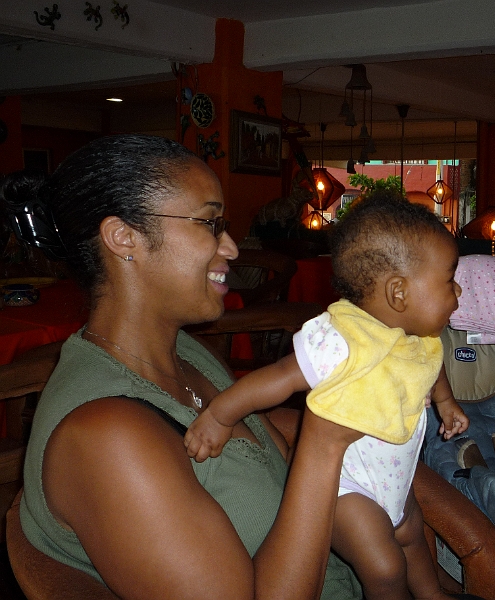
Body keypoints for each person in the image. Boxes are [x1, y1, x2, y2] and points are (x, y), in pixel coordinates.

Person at [2, 134, 364, 599]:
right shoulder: (107, 437)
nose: (231, 248)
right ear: (123, 238)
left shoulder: (181, 350)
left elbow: (259, 437)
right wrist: (325, 440)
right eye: (210, 223)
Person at [184, 191, 470, 600]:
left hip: (393, 476)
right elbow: (279, 378)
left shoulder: (419, 338)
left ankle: (432, 595)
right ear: (399, 294)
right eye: (449, 279)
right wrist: (220, 416)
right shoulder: (343, 340)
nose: (458, 290)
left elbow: (428, 368)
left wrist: (445, 401)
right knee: (385, 565)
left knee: (413, 534)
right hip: (346, 485)